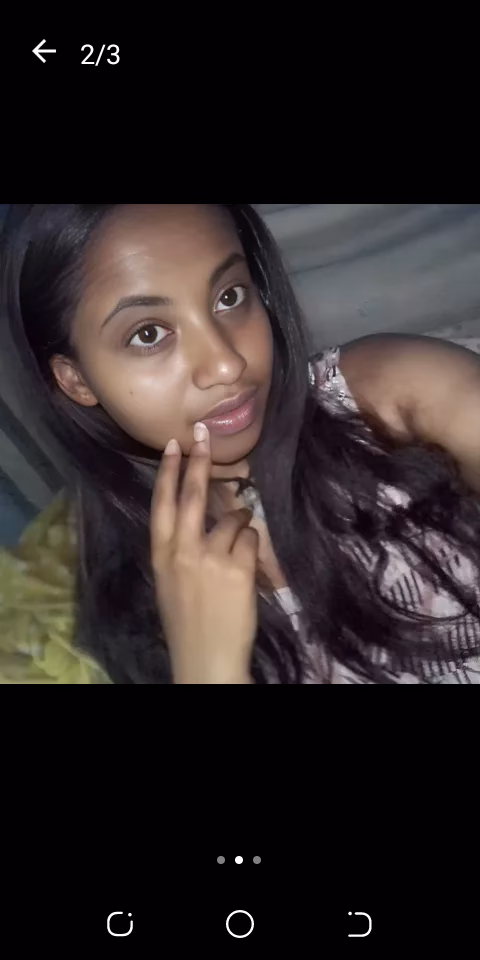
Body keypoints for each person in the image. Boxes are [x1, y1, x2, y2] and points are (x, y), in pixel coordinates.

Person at [2, 203, 480, 684]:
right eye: (148, 333)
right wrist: (206, 666)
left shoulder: (394, 400)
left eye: (229, 297)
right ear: (77, 380)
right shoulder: (132, 603)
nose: (226, 364)